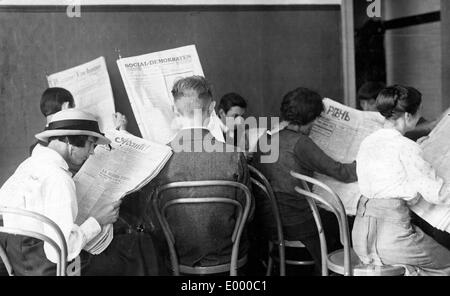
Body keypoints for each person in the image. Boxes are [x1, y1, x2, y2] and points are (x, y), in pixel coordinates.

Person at [0, 109, 158, 276]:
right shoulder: (58, 178)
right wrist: (97, 220)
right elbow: (59, 251)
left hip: (16, 261)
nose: (92, 152)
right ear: (69, 141)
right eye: (91, 144)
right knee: (140, 248)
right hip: (49, 267)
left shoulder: (29, 164)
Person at [136, 76, 253, 271]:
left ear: (174, 110)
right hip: (228, 256)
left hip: (176, 257)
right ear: (212, 107)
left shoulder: (158, 158)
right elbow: (248, 213)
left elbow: (151, 219)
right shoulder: (234, 155)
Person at [253, 87, 357, 274]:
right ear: (308, 118)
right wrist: (366, 161)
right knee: (347, 221)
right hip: (297, 223)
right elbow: (341, 172)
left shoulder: (265, 138)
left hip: (269, 221)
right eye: (315, 119)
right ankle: (333, 269)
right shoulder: (300, 143)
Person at [353, 85, 450, 276]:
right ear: (408, 116)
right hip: (391, 240)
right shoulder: (405, 148)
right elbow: (437, 194)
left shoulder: (369, 141)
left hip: (361, 237)